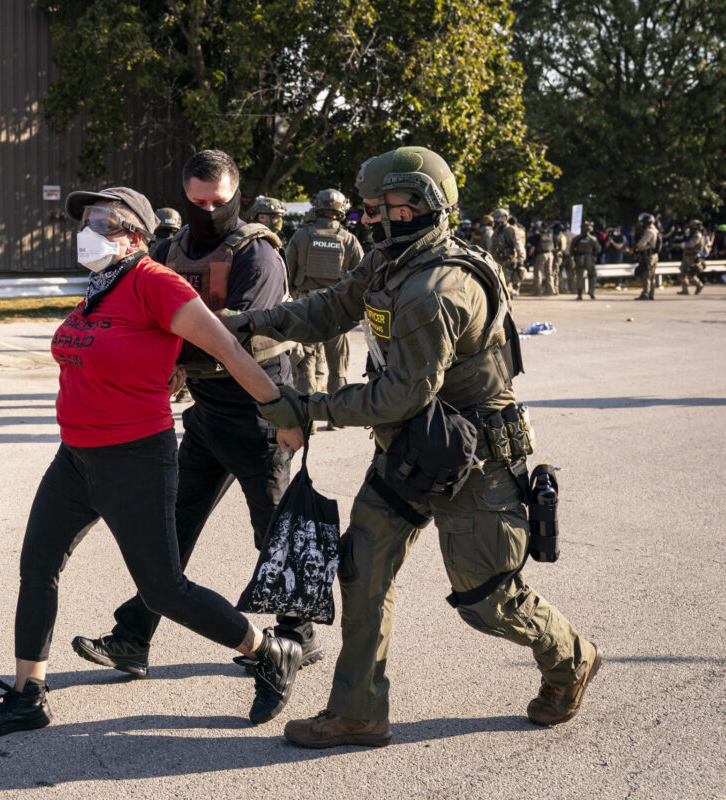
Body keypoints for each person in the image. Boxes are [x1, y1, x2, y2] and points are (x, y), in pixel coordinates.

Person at [225, 146, 600, 748]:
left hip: (471, 458)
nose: (368, 218)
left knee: (487, 600)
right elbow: (331, 307)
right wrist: (249, 322)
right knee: (362, 569)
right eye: (368, 208)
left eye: (380, 207)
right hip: (410, 451)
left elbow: (395, 397)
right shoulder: (391, 260)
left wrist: (308, 408)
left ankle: (570, 658)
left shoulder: (434, 289)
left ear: (420, 206)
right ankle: (358, 712)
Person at [0, 186, 306, 740]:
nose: (88, 230)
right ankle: (29, 695)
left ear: (136, 235)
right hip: (75, 456)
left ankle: (269, 652)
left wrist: (281, 411)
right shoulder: (100, 288)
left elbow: (229, 349)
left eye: (103, 220)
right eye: (87, 219)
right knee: (37, 566)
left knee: (164, 590)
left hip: (135, 458)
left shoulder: (155, 282)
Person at [70, 150, 325, 680]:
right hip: (207, 415)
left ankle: (299, 636)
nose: (207, 210)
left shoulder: (260, 256)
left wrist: (170, 354)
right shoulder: (170, 248)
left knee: (273, 528)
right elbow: (146, 318)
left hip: (260, 411)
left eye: (218, 201)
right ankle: (133, 636)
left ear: (239, 195)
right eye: (196, 201)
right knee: (173, 526)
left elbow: (236, 331)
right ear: (184, 196)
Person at [284, 188, 364, 411]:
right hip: (336, 308)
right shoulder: (349, 239)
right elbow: (363, 277)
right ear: (341, 211)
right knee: (338, 364)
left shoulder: (300, 236)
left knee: (306, 361)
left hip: (306, 307)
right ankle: (337, 417)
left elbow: (286, 274)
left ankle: (305, 414)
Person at [491, 208, 524, 298]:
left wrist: (521, 259)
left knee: (506, 283)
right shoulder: (496, 232)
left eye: (497, 218)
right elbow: (492, 247)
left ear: (504, 218)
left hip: (508, 260)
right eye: (494, 218)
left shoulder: (511, 230)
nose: (495, 220)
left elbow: (518, 244)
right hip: (497, 261)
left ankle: (508, 303)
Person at [570, 221, 602, 300]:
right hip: (589, 258)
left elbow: (571, 249)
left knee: (579, 276)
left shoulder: (577, 238)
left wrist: (574, 256)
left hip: (579, 258)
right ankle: (591, 291)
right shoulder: (593, 239)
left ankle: (580, 294)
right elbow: (599, 249)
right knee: (592, 275)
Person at [634, 213, 661, 300]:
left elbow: (641, 244)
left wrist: (638, 245)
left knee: (645, 275)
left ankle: (645, 293)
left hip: (648, 256)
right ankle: (651, 294)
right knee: (652, 275)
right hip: (654, 255)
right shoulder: (656, 230)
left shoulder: (649, 231)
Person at [527, 220, 557, 296]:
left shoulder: (538, 236)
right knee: (549, 273)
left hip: (541, 255)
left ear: (541, 227)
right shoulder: (551, 235)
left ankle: (538, 291)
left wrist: (529, 255)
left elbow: (533, 247)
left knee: (538, 272)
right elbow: (556, 247)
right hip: (550, 255)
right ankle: (551, 290)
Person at [678, 220, 706, 295]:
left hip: (692, 257)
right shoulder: (691, 233)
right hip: (687, 255)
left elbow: (691, 244)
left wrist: (683, 244)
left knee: (690, 274)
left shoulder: (697, 235)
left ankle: (699, 285)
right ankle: (685, 290)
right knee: (682, 273)